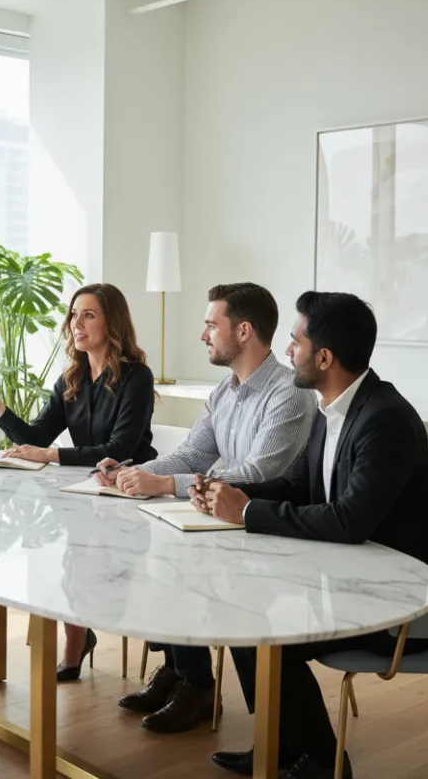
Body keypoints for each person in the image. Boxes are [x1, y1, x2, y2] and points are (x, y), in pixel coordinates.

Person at [200, 291, 428, 779]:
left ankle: (323, 763)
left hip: (397, 598)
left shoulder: (385, 420)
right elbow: (300, 484)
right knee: (242, 611)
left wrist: (249, 511)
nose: (288, 351)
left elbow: (348, 519)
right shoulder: (331, 406)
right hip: (350, 574)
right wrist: (228, 490)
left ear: (324, 357)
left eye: (295, 341)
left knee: (263, 629)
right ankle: (279, 747)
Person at [103, 283, 316, 733]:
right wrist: (129, 470)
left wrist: (164, 483)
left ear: (243, 331)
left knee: (176, 562)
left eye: (209, 324)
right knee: (146, 546)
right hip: (223, 521)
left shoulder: (289, 391)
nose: (202, 334)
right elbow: (191, 456)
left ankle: (196, 686)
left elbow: (260, 474)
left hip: (268, 531)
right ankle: (184, 674)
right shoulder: (225, 391)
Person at [0, 282, 156, 681]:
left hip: (131, 494)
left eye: (88, 315)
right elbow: (37, 438)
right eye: (73, 315)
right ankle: (75, 643)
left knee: (83, 558)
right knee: (69, 559)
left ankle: (78, 644)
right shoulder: (71, 380)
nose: (75, 324)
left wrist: (51, 456)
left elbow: (119, 446)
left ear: (112, 322)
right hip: (86, 490)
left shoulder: (137, 377)